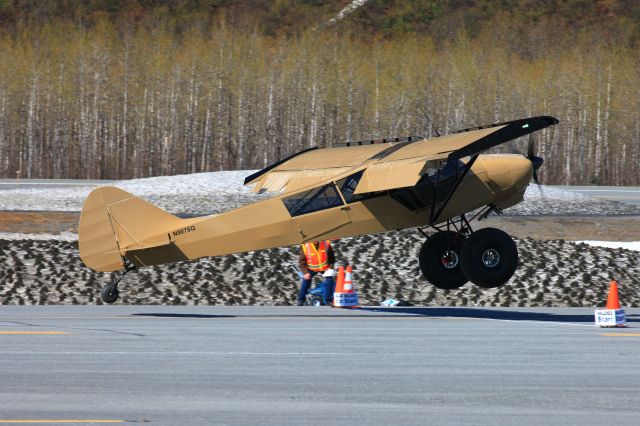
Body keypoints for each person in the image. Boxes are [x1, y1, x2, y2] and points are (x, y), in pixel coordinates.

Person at [297, 240, 336, 306]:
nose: (316, 240)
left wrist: (330, 267)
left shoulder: (326, 243)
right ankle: (301, 300)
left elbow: (332, 258)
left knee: (329, 280)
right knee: (306, 280)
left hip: (325, 268)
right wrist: (306, 273)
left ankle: (328, 300)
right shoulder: (306, 246)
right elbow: (301, 262)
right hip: (312, 269)